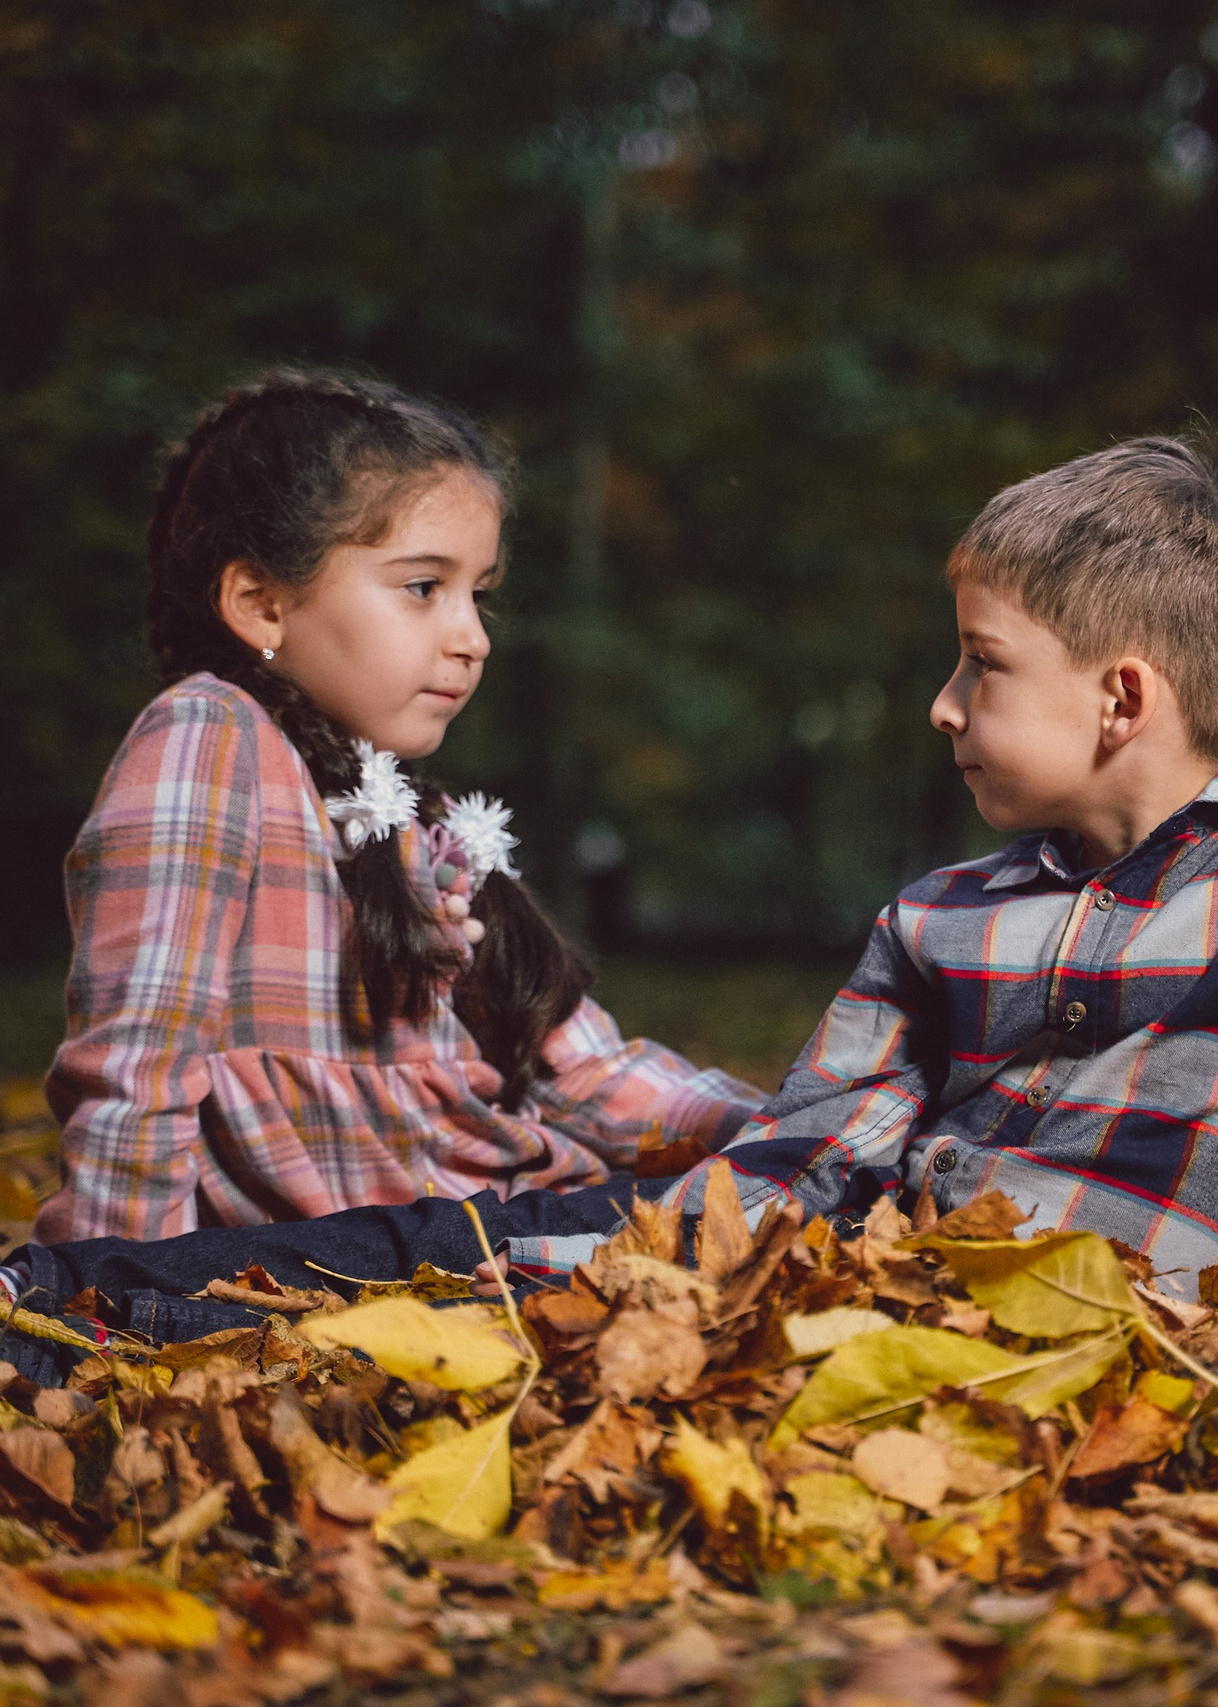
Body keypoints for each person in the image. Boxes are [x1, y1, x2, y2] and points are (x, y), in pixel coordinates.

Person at [0, 435, 1218, 1364]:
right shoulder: (944, 913)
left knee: (440, 1272)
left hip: (1050, 1315)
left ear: (1123, 698)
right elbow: (815, 1135)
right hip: (814, 1264)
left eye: (979, 668)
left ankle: (29, 1316)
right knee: (418, 1259)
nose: (939, 704)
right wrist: (694, 1226)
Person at [39, 369, 761, 1243]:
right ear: (261, 603)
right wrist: (110, 1285)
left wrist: (781, 1130)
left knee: (777, 1198)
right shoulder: (208, 737)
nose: (474, 637)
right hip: (392, 1251)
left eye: (478, 594)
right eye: (424, 587)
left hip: (488, 1223)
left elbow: (580, 1066)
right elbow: (137, 1064)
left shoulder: (417, 821)